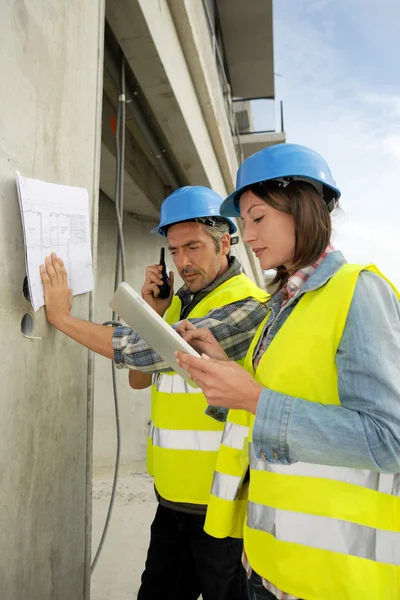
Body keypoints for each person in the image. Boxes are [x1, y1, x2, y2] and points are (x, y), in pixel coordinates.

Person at [175, 144, 400, 600]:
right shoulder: (282, 306)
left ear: (304, 207)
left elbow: (389, 439)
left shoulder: (359, 291)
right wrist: (223, 372)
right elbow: (275, 403)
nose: (249, 236)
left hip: (334, 579)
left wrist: (256, 399)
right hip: (270, 563)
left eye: (258, 218)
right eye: (243, 224)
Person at [40, 185, 269, 600]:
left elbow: (139, 352)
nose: (183, 262)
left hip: (226, 509)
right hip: (172, 501)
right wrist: (157, 313)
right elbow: (139, 378)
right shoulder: (179, 305)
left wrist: (63, 318)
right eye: (175, 250)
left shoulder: (249, 305)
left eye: (194, 247)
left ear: (226, 242)